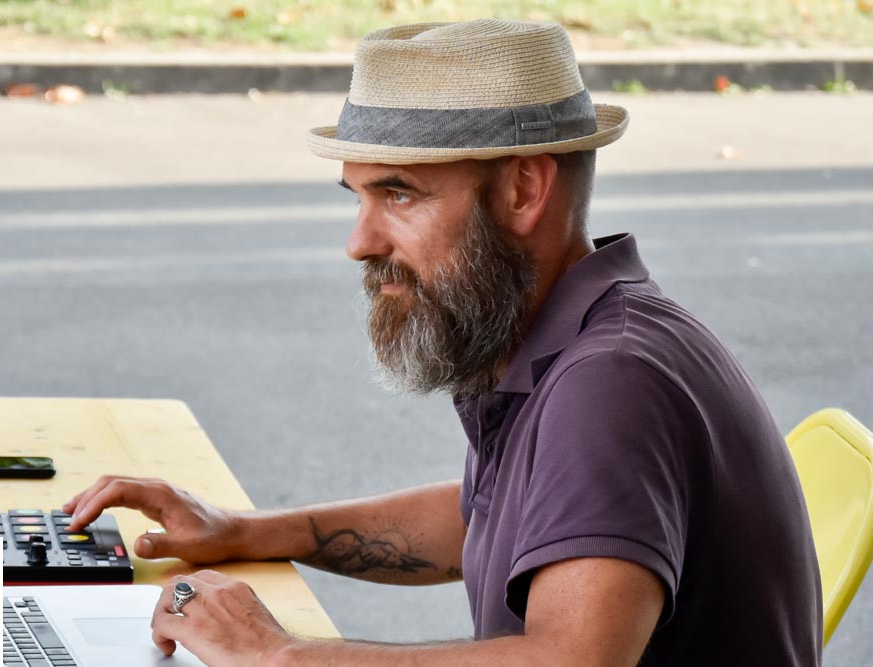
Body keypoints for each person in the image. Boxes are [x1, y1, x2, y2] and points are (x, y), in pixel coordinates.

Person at [65, 19, 822, 666]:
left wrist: (276, 652)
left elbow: (572, 659)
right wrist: (245, 531)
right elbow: (483, 520)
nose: (360, 242)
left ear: (524, 190)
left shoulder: (611, 382)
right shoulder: (566, 332)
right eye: (359, 197)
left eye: (399, 193)